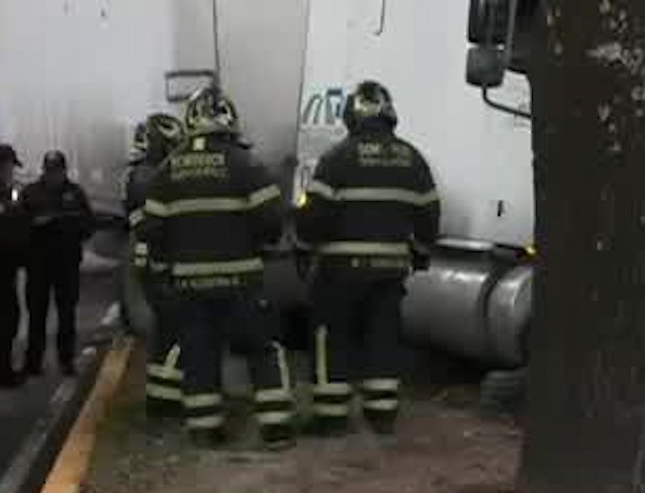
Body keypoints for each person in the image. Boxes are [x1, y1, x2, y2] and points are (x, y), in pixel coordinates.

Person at [139, 87, 295, 448]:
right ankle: (275, 429)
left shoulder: (168, 169)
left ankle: (206, 431)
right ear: (230, 121)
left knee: (199, 355)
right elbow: (271, 222)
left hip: (190, 288)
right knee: (262, 348)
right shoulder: (246, 164)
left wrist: (167, 268)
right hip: (241, 283)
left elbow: (152, 231)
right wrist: (258, 243)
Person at [295, 80, 439, 435]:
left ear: (351, 117)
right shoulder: (413, 158)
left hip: (340, 272)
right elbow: (429, 213)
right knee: (383, 336)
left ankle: (332, 417)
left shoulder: (337, 158)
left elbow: (315, 215)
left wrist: (302, 244)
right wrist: (419, 253)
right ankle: (382, 414)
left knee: (332, 335)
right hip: (390, 271)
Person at [126, 113, 187, 418]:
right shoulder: (150, 176)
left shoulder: (141, 173)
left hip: (152, 260)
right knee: (177, 326)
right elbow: (162, 222)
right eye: (174, 145)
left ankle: (162, 396)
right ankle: (166, 400)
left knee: (168, 329)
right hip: (158, 262)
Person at [18, 150, 93, 377]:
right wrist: (36, 224)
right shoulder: (30, 193)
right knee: (37, 316)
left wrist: (71, 226)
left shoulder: (75, 193)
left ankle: (66, 360)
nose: (54, 175)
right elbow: (18, 226)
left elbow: (89, 224)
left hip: (66, 264)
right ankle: (33, 363)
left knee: (67, 315)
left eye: (58, 171)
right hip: (38, 265)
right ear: (44, 170)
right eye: (50, 171)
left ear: (64, 170)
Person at [0, 142, 30, 389]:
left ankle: (4, 371)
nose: (12, 172)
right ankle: (1, 374)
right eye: (11, 167)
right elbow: (2, 229)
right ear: (2, 166)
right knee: (3, 320)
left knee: (6, 317)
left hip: (3, 266)